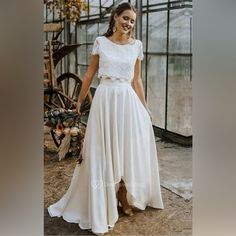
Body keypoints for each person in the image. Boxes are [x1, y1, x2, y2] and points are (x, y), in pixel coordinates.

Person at [48, 2, 164, 235]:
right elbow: (90, 74)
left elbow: (137, 81)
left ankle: (123, 194)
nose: (129, 23)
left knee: (125, 149)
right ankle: (104, 200)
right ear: (115, 17)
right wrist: (80, 101)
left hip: (127, 102)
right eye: (125, 18)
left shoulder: (136, 46)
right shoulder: (101, 43)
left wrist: (145, 107)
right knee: (103, 150)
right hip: (104, 100)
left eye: (132, 21)